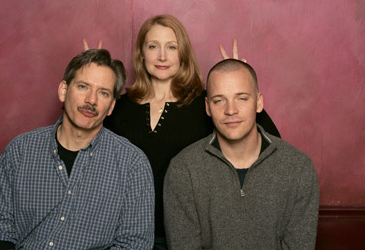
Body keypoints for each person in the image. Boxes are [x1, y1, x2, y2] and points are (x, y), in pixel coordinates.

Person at [84, 14, 280, 249]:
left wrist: (239, 85)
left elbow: (271, 142)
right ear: (142, 54)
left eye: (172, 47)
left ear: (183, 54)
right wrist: (90, 82)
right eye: (153, 46)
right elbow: (76, 140)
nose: (162, 56)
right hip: (124, 235)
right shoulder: (119, 106)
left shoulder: (205, 105)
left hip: (189, 237)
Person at [0, 49, 155, 249]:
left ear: (112, 106)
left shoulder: (132, 164)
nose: (91, 100)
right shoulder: (20, 151)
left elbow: (134, 244)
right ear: (64, 90)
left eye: (103, 93)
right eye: (83, 87)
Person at [163, 58, 320, 249]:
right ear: (207, 107)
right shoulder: (184, 169)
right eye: (219, 100)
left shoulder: (299, 167)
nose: (231, 110)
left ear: (259, 102)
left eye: (242, 98)